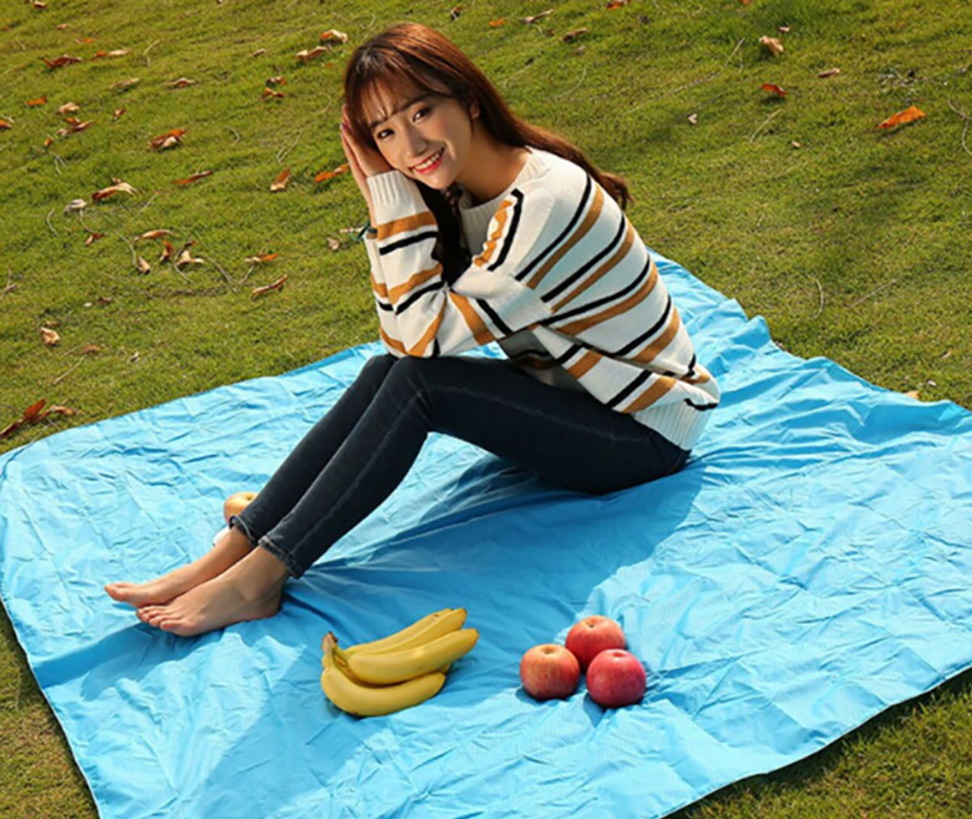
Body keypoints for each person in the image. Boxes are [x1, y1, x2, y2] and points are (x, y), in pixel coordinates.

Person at [105, 22, 720, 636]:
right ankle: (238, 549)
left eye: (422, 111)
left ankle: (260, 578)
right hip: (580, 405)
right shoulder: (466, 195)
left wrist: (390, 199)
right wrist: (396, 202)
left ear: (469, 99)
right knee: (389, 372)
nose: (411, 145)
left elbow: (419, 340)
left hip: (643, 435)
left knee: (418, 384)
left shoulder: (542, 204)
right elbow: (402, 340)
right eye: (386, 133)